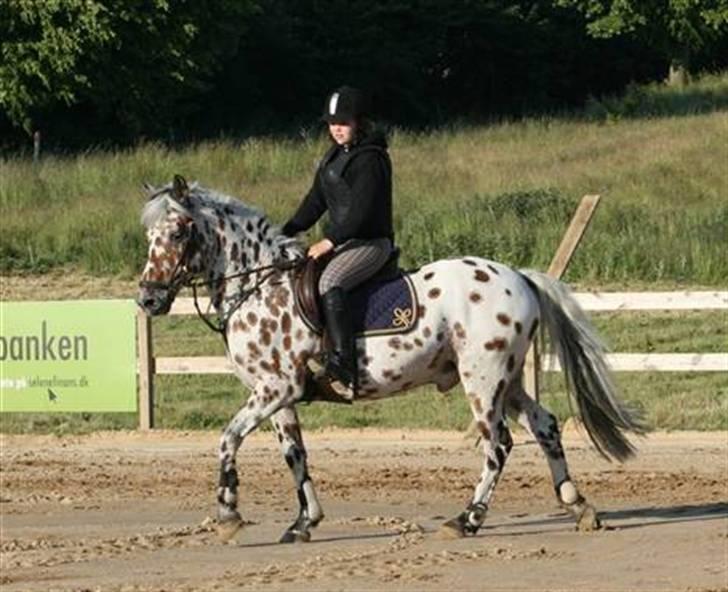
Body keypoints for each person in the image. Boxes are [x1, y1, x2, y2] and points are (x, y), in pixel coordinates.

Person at [282, 86, 394, 399]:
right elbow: (314, 202)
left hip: (371, 243)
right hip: (346, 243)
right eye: (332, 123)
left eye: (343, 122)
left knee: (330, 281)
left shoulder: (371, 159)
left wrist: (329, 241)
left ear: (360, 122)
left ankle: (343, 367)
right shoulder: (333, 157)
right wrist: (285, 231)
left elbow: (361, 213)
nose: (336, 128)